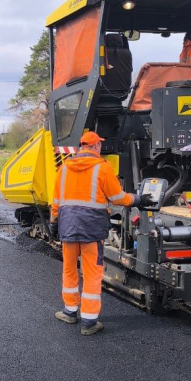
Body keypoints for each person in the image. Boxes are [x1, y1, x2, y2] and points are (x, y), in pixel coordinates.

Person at [49, 131, 155, 335]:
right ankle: (89, 322)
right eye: (100, 145)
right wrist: (139, 199)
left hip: (68, 227)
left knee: (69, 270)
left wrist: (54, 222)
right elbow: (117, 197)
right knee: (92, 273)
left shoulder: (63, 169)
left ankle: (70, 312)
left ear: (81, 147)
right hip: (92, 229)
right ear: (96, 146)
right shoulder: (102, 168)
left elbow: (56, 201)